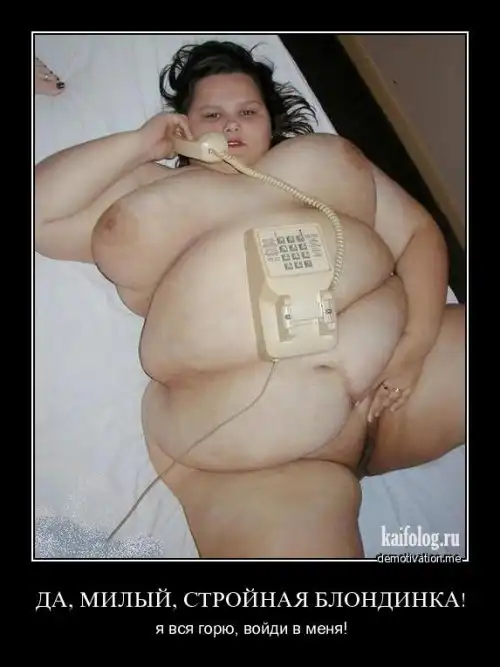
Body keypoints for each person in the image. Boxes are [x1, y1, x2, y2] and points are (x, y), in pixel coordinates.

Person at [34, 40, 465, 558]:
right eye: (212, 115)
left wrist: (414, 347)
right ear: (185, 127)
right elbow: (41, 214)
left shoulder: (321, 170)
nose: (232, 125)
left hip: (398, 394)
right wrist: (141, 143)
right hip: (262, 465)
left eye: (248, 112)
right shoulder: (149, 193)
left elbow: (417, 235)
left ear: (271, 120)